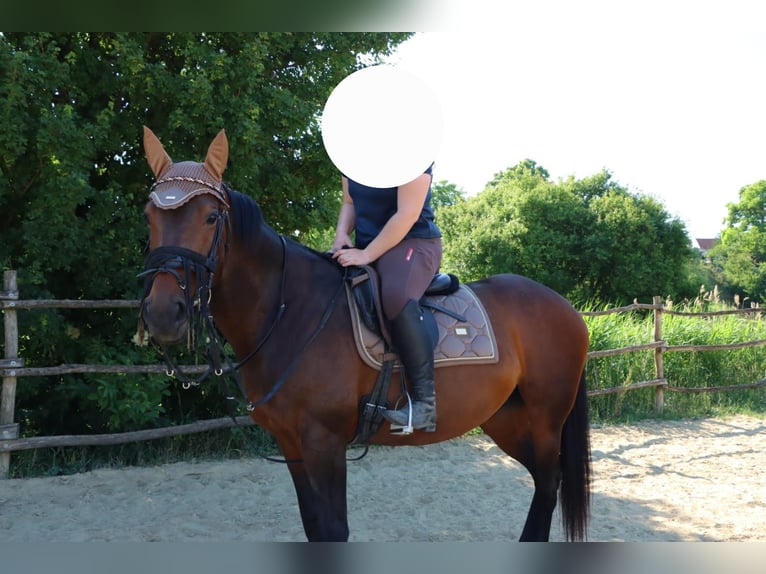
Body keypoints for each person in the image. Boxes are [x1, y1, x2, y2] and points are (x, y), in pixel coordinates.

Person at [331, 164, 442, 432]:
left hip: (414, 243)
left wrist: (366, 255)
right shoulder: (353, 155)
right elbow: (349, 201)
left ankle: (425, 404)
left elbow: (407, 214)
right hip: (367, 246)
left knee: (396, 295)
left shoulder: (413, 154)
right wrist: (342, 233)